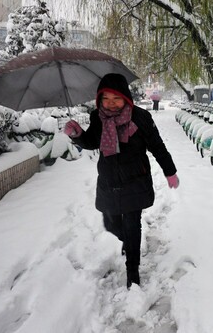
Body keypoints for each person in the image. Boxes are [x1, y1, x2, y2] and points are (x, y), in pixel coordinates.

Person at [64, 73, 179, 289]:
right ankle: (126, 240)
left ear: (125, 98)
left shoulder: (141, 118)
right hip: (109, 180)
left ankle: (132, 271)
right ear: (99, 100)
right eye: (105, 99)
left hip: (135, 179)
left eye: (116, 98)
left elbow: (157, 147)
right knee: (111, 223)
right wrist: (77, 135)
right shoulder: (98, 118)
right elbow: (92, 141)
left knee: (132, 224)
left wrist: (169, 171)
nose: (111, 103)